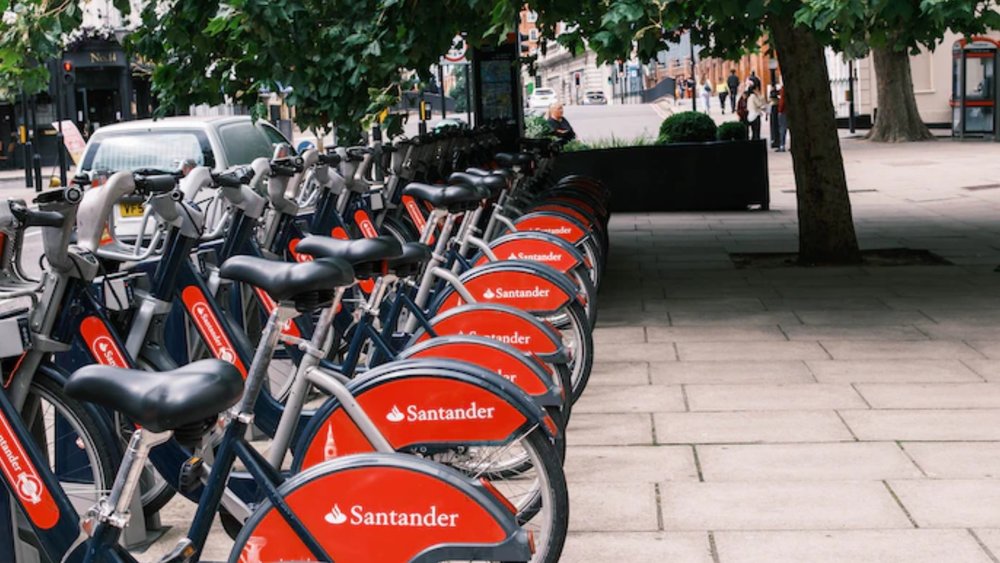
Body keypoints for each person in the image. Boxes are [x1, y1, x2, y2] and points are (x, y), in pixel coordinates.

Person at [776, 85, 788, 152]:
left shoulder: (783, 89)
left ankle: (782, 145)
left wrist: (780, 110)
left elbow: (782, 101)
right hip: (789, 111)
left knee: (782, 128)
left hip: (783, 111)